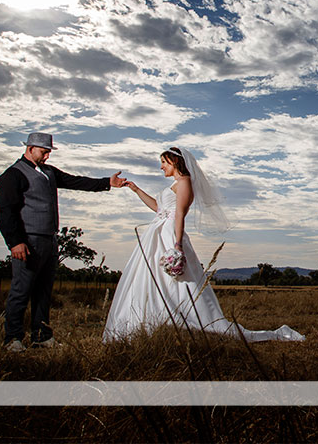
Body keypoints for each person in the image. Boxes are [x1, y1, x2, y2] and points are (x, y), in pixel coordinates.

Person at [103, 146, 304, 343]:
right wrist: (136, 189)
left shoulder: (184, 183)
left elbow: (179, 214)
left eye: (163, 162)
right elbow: (159, 208)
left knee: (177, 283)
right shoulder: (176, 184)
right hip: (158, 232)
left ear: (174, 161)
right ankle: (150, 322)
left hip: (170, 234)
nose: (161, 167)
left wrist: (177, 245)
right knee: (153, 279)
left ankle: (182, 318)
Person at [0, 132, 127, 351]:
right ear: (30, 148)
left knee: (44, 290)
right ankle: (13, 338)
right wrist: (15, 242)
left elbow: (74, 181)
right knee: (21, 289)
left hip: (50, 239)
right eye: (43, 152)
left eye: (48, 152)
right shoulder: (13, 175)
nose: (47, 156)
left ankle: (41, 336)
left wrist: (107, 183)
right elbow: (4, 212)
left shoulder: (49, 172)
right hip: (28, 240)